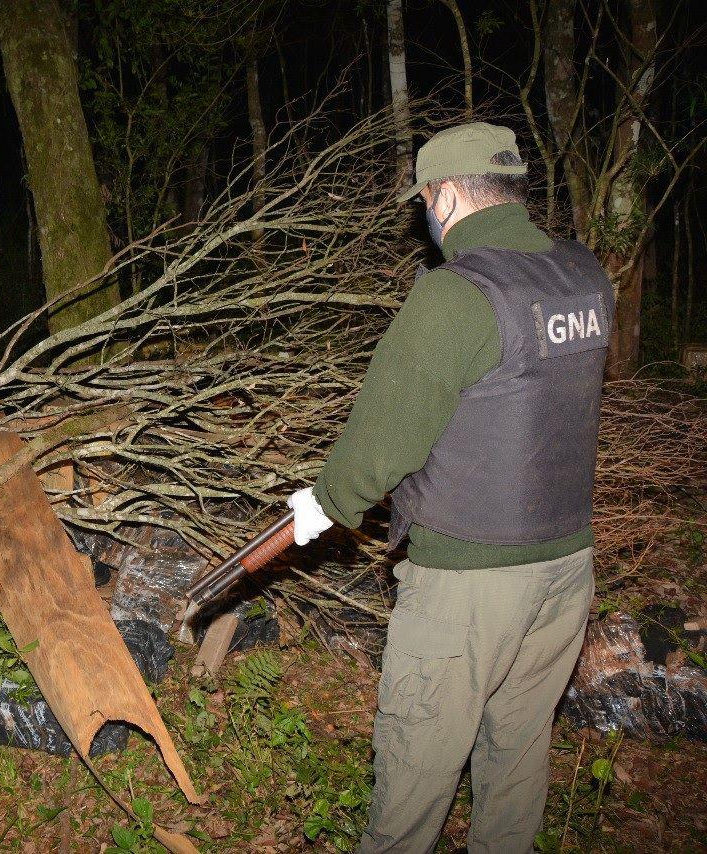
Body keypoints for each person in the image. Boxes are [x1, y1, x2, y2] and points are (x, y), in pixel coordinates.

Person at [285, 122, 613, 853]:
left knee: (415, 772)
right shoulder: (583, 277)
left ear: (449, 197)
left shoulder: (457, 295)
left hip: (468, 582)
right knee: (516, 760)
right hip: (566, 569)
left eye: (426, 203)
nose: (426, 219)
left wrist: (324, 504)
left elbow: (383, 442)